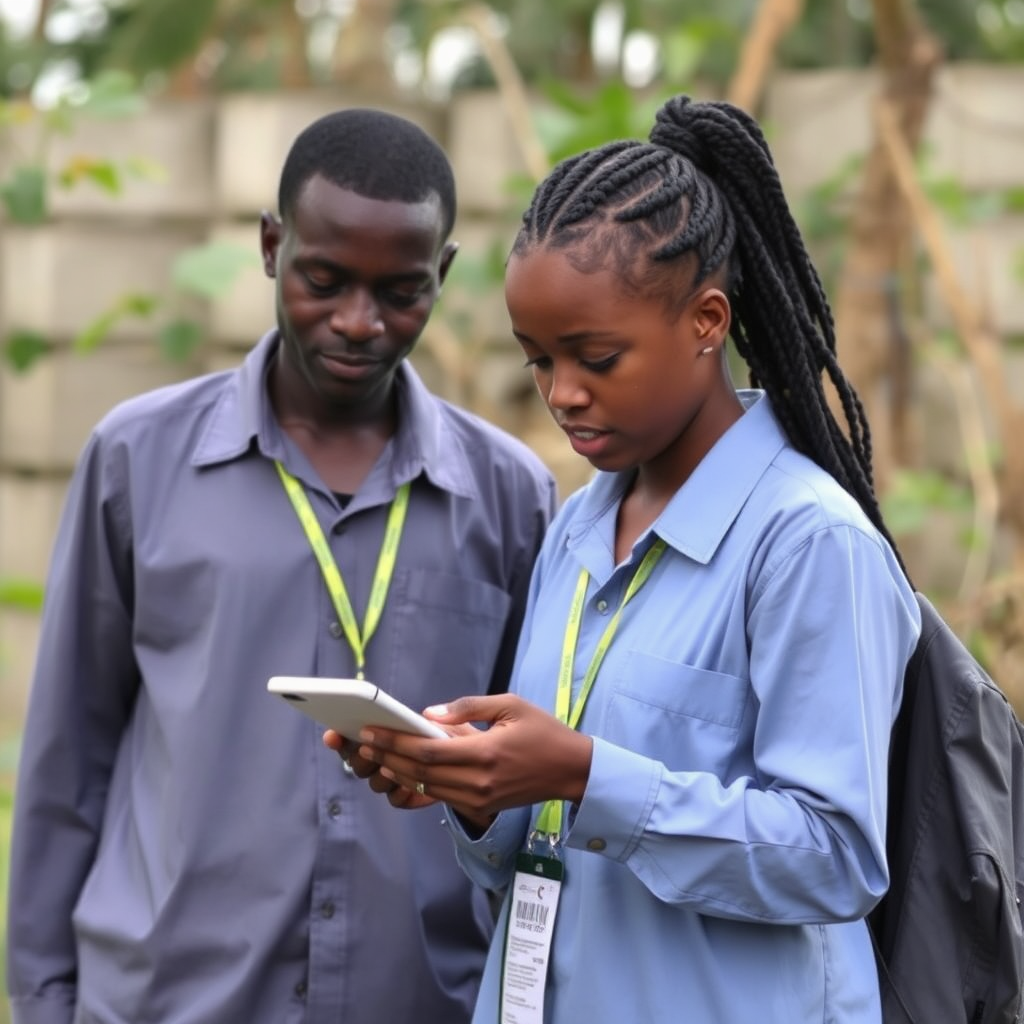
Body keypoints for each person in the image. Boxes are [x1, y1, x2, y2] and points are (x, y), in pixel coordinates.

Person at [331, 94, 923, 1023]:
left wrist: (580, 771)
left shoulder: (810, 544)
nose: (562, 395)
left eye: (595, 357)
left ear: (706, 320)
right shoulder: (575, 529)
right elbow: (546, 844)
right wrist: (473, 790)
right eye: (537, 362)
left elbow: (836, 854)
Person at [7, 108, 557, 1024]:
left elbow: (520, 793)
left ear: (444, 277)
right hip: (164, 1002)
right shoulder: (136, 462)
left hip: (418, 1002)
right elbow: (69, 760)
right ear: (271, 247)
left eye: (400, 292)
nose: (358, 321)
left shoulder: (510, 496)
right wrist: (45, 998)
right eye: (323, 278)